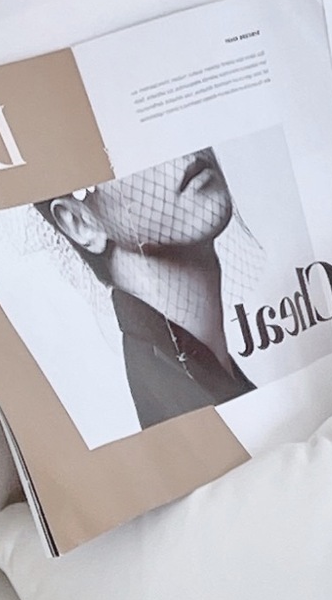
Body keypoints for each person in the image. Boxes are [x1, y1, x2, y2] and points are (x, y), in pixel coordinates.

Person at [36, 148, 256, 429]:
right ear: (79, 223)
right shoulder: (173, 400)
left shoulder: (195, 373)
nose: (180, 149)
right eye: (125, 152)